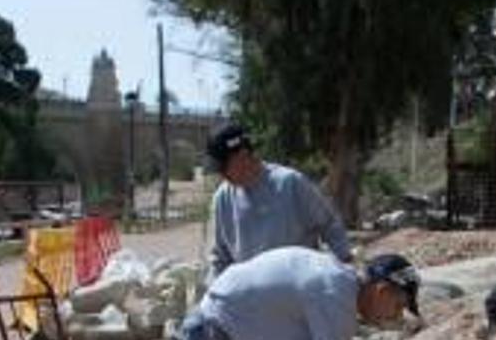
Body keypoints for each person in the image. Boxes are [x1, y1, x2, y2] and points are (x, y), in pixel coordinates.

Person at [204, 123, 352, 280]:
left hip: (300, 290)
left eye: (224, 167)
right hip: (251, 298)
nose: (222, 175)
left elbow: (330, 225)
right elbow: (219, 257)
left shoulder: (290, 183)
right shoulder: (223, 198)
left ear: (243, 155)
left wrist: (344, 268)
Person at [180, 247, 421, 340]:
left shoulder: (336, 277)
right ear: (381, 291)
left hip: (208, 323)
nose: (395, 316)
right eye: (398, 306)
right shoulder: (336, 298)